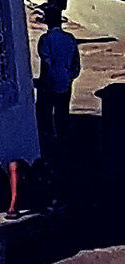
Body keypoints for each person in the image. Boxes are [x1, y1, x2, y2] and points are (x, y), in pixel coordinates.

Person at [38, 10, 82, 161]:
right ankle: (64, 145)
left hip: (50, 84)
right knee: (62, 114)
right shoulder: (70, 39)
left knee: (45, 116)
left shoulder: (45, 39)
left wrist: (44, 82)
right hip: (65, 82)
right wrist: (70, 77)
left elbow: (47, 63)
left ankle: (50, 145)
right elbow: (76, 63)